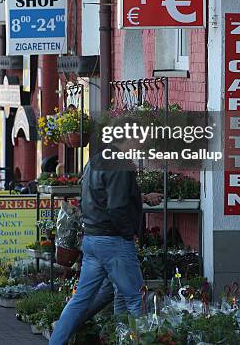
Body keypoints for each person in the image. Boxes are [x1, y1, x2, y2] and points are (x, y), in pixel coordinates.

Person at [49, 148, 162, 345]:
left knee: (81, 300)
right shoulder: (119, 164)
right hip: (113, 240)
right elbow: (116, 206)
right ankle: (143, 340)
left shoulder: (95, 161)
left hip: (92, 239)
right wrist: (128, 233)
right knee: (137, 299)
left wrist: (140, 197)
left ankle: (56, 342)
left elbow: (98, 197)